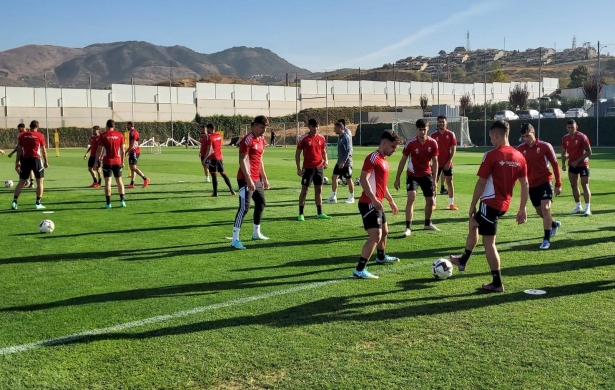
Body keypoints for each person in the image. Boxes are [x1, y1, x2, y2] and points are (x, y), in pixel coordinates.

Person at [449, 120, 528, 293]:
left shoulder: (491, 155)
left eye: (491, 137)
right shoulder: (519, 156)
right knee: (473, 224)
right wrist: (522, 208)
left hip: (490, 203)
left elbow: (481, 183)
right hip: (503, 204)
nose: (491, 140)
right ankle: (463, 260)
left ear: (496, 135)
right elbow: (525, 184)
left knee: (489, 243)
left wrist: (472, 205)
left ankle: (497, 283)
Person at [353, 130, 403, 279]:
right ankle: (359, 270)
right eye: (393, 147)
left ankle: (381, 257)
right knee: (376, 236)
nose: (394, 150)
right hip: (368, 203)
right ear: (385, 143)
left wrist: (391, 200)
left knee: (385, 232)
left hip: (376, 203)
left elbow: (382, 185)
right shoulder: (373, 157)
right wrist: (374, 199)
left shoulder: (384, 160)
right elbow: (363, 179)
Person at [517, 123, 562, 250]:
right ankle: (553, 224)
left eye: (528, 135)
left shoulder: (545, 146)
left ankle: (546, 239)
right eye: (523, 137)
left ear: (533, 133)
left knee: (546, 208)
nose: (526, 139)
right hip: (530, 185)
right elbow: (518, 168)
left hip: (545, 181)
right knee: (539, 211)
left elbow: (554, 164)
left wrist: (558, 183)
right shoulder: (520, 149)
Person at [394, 119, 440, 238]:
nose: (422, 132)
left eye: (424, 129)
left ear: (428, 129)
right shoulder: (410, 143)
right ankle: (408, 228)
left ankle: (427, 224)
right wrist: (397, 178)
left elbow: (435, 162)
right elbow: (403, 160)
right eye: (420, 129)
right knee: (411, 197)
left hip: (427, 175)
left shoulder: (433, 143)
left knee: (430, 200)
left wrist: (435, 180)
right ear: (416, 129)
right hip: (412, 175)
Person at [230, 115, 271, 249]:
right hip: (244, 178)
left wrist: (264, 178)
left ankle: (256, 232)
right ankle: (235, 240)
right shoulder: (247, 140)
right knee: (244, 208)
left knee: (261, 203)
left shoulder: (262, 140)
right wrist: (248, 179)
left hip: (256, 179)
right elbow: (242, 160)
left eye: (265, 128)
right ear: (254, 126)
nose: (264, 130)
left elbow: (260, 160)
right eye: (261, 127)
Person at [296, 118, 331, 221]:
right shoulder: (304, 139)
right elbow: (297, 154)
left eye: (317, 126)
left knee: (319, 190)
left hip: (319, 168)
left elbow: (323, 151)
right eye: (313, 126)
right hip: (308, 168)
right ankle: (301, 213)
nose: (316, 128)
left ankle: (319, 213)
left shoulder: (321, 138)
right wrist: (298, 168)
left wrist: (326, 160)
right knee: (305, 190)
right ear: (309, 127)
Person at [11, 120, 48, 210]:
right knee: (40, 182)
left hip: (25, 160)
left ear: (29, 126)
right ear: (37, 127)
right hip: (36, 160)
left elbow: (19, 149)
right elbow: (43, 150)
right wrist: (46, 161)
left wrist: (17, 162)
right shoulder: (40, 135)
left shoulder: (22, 135)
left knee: (21, 182)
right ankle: (38, 203)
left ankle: (14, 202)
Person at [561, 119, 592, 216]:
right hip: (572, 165)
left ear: (576, 127)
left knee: (585, 185)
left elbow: (589, 152)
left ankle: (587, 208)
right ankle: (578, 206)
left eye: (572, 127)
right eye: (569, 127)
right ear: (566, 127)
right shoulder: (565, 138)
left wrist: (577, 161)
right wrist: (563, 163)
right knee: (573, 185)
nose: (570, 129)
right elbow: (563, 152)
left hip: (583, 164)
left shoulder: (582, 137)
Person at [94, 119, 126, 209]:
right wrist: (123, 161)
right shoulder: (120, 135)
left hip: (107, 162)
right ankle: (122, 201)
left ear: (106, 126)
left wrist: (96, 162)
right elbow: (123, 150)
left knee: (108, 182)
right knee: (119, 181)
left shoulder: (103, 136)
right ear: (114, 126)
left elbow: (99, 150)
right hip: (117, 161)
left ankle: (108, 203)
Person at [431, 115, 458, 210]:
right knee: (434, 183)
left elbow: (453, 149)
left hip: (447, 163)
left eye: (443, 121)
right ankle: (433, 203)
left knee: (450, 182)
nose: (441, 123)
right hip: (436, 164)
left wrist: (449, 161)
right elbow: (430, 150)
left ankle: (451, 204)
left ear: (446, 123)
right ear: (437, 123)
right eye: (440, 122)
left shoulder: (451, 134)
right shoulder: (433, 135)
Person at [203, 123, 236, 197]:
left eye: (207, 129)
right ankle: (232, 190)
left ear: (210, 129)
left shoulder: (210, 137)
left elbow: (209, 149)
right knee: (223, 174)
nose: (206, 130)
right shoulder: (219, 136)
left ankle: (215, 193)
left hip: (213, 158)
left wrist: (204, 159)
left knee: (214, 176)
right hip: (220, 157)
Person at [326, 120, 354, 204]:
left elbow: (349, 150)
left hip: (346, 163)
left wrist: (343, 162)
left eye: (335, 128)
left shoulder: (346, 137)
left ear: (340, 128)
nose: (334, 130)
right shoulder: (340, 137)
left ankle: (352, 197)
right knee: (334, 177)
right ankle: (333, 196)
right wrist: (340, 161)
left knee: (348, 179)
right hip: (339, 162)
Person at [8, 123, 35, 188]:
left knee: (17, 168)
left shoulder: (21, 135)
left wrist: (12, 152)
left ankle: (26, 181)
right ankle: (31, 183)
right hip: (29, 154)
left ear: (22, 128)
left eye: (19, 128)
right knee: (30, 168)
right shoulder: (29, 133)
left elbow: (19, 146)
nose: (18, 130)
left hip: (22, 154)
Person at [125, 122, 150, 188]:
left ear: (130, 125)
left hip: (135, 152)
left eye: (127, 125)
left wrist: (127, 151)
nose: (126, 127)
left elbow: (132, 144)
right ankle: (132, 183)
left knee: (133, 168)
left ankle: (145, 179)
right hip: (133, 151)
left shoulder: (133, 132)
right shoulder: (132, 132)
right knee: (132, 168)